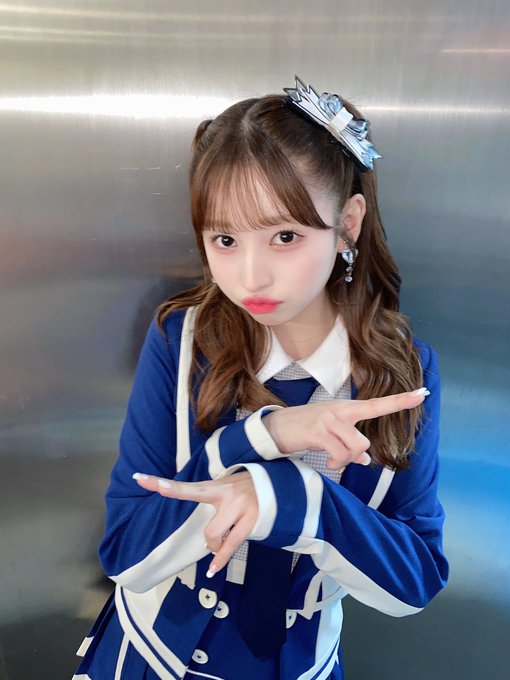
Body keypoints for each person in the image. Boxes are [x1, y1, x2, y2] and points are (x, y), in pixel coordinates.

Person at [73, 76, 448, 680]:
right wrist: (262, 437)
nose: (251, 277)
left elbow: (414, 583)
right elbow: (126, 555)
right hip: (149, 659)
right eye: (225, 239)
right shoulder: (182, 342)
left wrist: (291, 499)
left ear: (348, 223)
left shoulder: (403, 372)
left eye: (285, 236)